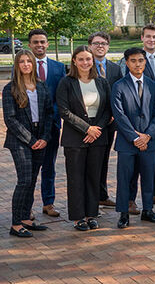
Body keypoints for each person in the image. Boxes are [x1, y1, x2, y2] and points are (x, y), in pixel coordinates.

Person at [57, 46, 112, 231]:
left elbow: (107, 110)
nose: (85, 63)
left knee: (93, 177)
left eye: (88, 59)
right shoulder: (66, 82)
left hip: (98, 136)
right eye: (81, 59)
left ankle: (91, 214)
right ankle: (78, 217)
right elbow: (64, 111)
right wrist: (86, 128)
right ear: (74, 61)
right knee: (76, 178)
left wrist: (97, 129)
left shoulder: (102, 82)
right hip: (75, 137)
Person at [119, 24, 155, 211]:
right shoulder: (135, 60)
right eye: (148, 36)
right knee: (135, 160)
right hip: (137, 121)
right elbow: (130, 88)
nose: (152, 40)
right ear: (142, 38)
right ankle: (131, 199)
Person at [111, 48, 155, 229]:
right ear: (126, 63)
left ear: (145, 62)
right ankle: (124, 213)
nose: (137, 64)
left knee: (148, 177)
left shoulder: (153, 86)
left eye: (141, 60)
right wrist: (135, 137)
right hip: (127, 142)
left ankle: (148, 210)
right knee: (125, 178)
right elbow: (119, 115)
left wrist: (148, 135)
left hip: (149, 141)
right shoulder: (119, 86)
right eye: (133, 61)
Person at [3, 51, 52, 238]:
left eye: (29, 61)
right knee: (23, 181)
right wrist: (31, 140)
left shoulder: (41, 86)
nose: (25, 65)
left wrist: (45, 138)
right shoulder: (10, 89)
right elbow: (10, 119)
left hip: (41, 139)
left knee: (32, 180)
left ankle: (26, 218)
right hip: (20, 141)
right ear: (17, 65)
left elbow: (48, 114)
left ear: (33, 64)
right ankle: (15, 223)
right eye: (22, 62)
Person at [27, 29, 65, 218]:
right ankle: (28, 207)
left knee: (49, 166)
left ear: (48, 44)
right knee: (31, 168)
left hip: (52, 126)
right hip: (29, 128)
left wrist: (51, 117)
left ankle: (48, 203)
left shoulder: (59, 67)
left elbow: (61, 97)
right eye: (35, 42)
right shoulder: (22, 67)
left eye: (42, 41)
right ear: (30, 45)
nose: (39, 45)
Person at [88, 31, 123, 208]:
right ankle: (91, 198)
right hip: (88, 124)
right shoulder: (84, 66)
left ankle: (102, 194)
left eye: (103, 43)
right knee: (90, 162)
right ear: (90, 46)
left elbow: (117, 95)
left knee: (104, 159)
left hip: (108, 123)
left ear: (108, 46)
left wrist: (111, 116)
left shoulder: (116, 69)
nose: (100, 46)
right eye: (96, 43)